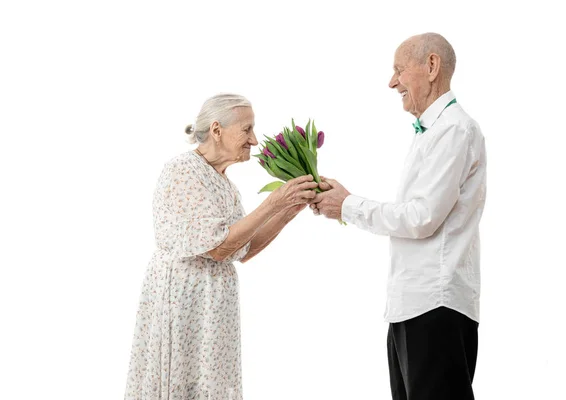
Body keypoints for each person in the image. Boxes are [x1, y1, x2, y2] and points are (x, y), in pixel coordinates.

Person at [311, 33, 487, 399]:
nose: (392, 82)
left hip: (436, 306)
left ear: (432, 66)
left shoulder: (455, 129)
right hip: (412, 305)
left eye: (399, 70)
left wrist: (348, 205)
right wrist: (342, 203)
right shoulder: (433, 131)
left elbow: (422, 217)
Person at [124, 93, 317, 400]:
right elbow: (217, 248)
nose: (254, 140)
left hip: (212, 303)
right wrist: (273, 202)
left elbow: (244, 248)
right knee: (184, 381)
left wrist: (290, 209)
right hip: (185, 300)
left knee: (211, 384)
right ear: (216, 130)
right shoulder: (184, 170)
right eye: (247, 129)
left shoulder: (223, 181)